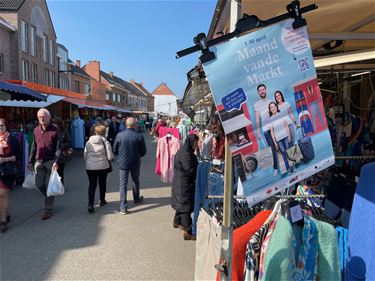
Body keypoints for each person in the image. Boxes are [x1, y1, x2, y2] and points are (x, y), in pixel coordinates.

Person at [28, 109, 62, 220]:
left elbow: (58, 148)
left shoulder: (55, 130)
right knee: (39, 184)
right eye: (40, 117)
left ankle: (48, 209)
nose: (42, 118)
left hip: (51, 161)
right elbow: (34, 146)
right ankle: (50, 196)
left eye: (44, 116)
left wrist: (56, 162)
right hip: (39, 161)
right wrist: (30, 160)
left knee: (48, 185)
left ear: (49, 117)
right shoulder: (36, 130)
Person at [113, 117, 146, 214]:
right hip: (135, 162)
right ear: (135, 125)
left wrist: (120, 155)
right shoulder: (139, 136)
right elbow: (143, 151)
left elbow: (114, 149)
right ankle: (136, 199)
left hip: (123, 163)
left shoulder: (119, 135)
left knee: (123, 184)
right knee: (135, 180)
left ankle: (123, 206)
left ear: (126, 124)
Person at [171, 134, 199, 241]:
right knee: (185, 207)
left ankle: (177, 222)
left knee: (181, 204)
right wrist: (197, 174)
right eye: (196, 143)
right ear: (192, 142)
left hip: (181, 183)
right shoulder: (186, 154)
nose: (197, 145)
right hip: (183, 184)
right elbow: (189, 170)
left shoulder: (185, 151)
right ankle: (188, 232)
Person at [84, 125, 114, 213]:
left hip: (90, 167)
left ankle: (90, 204)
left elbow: (85, 155)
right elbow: (110, 156)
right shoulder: (106, 142)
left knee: (92, 185)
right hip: (103, 167)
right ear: (104, 132)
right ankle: (102, 200)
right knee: (102, 183)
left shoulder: (88, 142)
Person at [0, 118, 20, 233]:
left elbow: (18, 156)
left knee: (2, 193)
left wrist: (5, 159)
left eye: (2, 125)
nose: (0, 127)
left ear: (6, 126)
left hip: (7, 170)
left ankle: (3, 221)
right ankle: (6, 214)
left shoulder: (12, 139)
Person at [254, 84, 278, 176]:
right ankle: (275, 168)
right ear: (258, 92)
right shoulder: (257, 105)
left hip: (275, 127)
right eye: (260, 90)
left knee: (280, 145)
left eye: (263, 89)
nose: (262, 91)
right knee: (272, 148)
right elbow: (257, 120)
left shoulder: (271, 101)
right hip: (266, 130)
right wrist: (258, 132)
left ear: (266, 90)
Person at [268, 102, 291, 175]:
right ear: (270, 110)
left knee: (288, 151)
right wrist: (275, 142)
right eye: (271, 107)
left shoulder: (281, 115)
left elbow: (286, 126)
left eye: (274, 106)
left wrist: (289, 135)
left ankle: (292, 166)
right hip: (279, 140)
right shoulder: (270, 119)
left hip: (286, 136)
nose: (273, 108)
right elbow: (272, 132)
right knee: (284, 153)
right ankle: (288, 169)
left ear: (276, 107)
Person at [52, 117, 72, 184]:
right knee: (53, 170)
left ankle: (60, 185)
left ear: (58, 124)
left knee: (60, 171)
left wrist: (62, 145)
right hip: (52, 154)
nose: (53, 125)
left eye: (55, 124)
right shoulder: (50, 131)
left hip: (61, 154)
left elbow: (69, 142)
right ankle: (53, 185)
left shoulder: (64, 132)